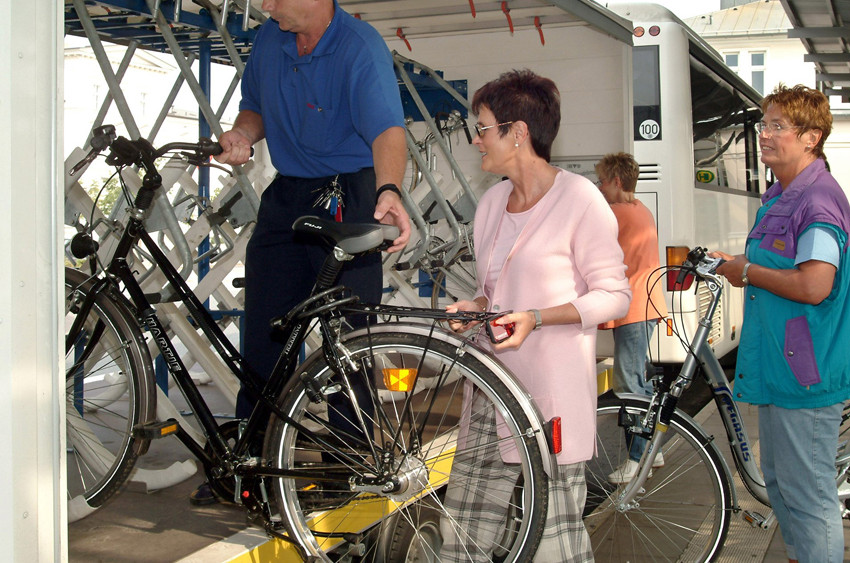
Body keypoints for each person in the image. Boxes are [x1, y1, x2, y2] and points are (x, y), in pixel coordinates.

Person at [199, 0, 411, 503]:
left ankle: (349, 469)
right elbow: (255, 107)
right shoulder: (270, 38)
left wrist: (389, 191)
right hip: (287, 193)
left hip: (349, 193)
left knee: (349, 336)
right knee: (265, 332)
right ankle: (252, 466)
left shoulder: (359, 46)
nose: (265, 5)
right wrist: (242, 134)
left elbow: (387, 129)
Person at [443, 69, 630, 562]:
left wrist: (538, 318)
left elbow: (615, 296)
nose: (476, 140)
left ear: (518, 132)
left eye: (483, 128)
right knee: (462, 534)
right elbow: (492, 292)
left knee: (553, 541)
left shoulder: (580, 199)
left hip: (548, 397)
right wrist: (474, 308)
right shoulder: (491, 204)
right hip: (490, 390)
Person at [711, 84, 850, 563]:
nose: (765, 134)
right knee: (781, 484)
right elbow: (778, 262)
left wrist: (747, 272)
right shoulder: (781, 195)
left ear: (811, 137)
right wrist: (736, 263)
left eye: (778, 126)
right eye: (764, 124)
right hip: (784, 364)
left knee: (809, 495)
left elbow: (815, 284)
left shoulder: (816, 199)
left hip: (808, 369)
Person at [593, 152, 669, 484]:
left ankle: (638, 459)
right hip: (645, 306)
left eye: (602, 181)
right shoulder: (641, 209)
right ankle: (653, 449)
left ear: (616, 181)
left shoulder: (616, 213)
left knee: (628, 386)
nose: (599, 187)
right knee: (639, 380)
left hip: (635, 309)